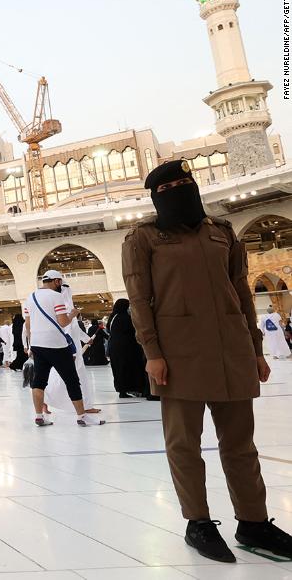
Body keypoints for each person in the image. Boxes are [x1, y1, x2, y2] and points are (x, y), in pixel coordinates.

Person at [123, 159, 292, 563]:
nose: (180, 190)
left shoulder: (223, 233)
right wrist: (152, 353)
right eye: (169, 188)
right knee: (184, 444)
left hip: (231, 350)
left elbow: (240, 293)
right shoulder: (143, 238)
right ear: (156, 197)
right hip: (178, 355)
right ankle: (197, 522)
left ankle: (253, 523)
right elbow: (139, 301)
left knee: (240, 445)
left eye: (186, 183)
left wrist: (254, 350)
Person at [24, 270, 104, 427]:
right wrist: (73, 314)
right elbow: (62, 322)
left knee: (39, 382)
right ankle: (82, 416)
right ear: (56, 282)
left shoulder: (30, 297)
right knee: (72, 380)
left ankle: (39, 415)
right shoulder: (56, 296)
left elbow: (28, 324)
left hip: (37, 344)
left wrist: (30, 344)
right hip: (56, 344)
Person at [107, 299, 150, 399]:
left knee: (118, 369)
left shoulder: (113, 317)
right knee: (127, 368)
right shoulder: (126, 318)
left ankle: (122, 390)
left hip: (114, 346)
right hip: (125, 347)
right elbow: (133, 332)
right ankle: (133, 388)